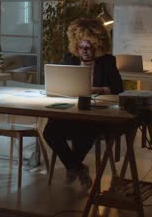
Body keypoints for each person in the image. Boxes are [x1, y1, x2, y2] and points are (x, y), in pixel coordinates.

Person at [43, 17, 123, 190]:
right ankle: (78, 167)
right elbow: (62, 84)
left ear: (98, 46)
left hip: (96, 115)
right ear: (75, 45)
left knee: (86, 131)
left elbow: (118, 88)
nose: (85, 51)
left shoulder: (107, 61)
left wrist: (98, 90)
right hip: (72, 111)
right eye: (81, 47)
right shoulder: (69, 59)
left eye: (89, 47)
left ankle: (73, 167)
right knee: (50, 131)